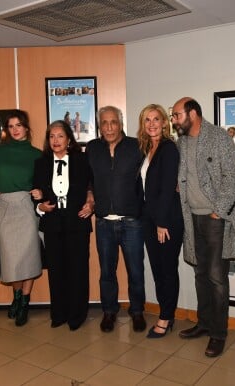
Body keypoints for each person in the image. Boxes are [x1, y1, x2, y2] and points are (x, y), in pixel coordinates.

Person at [171, 97, 235, 358]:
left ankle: (219, 334)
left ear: (192, 113)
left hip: (214, 220)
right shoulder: (182, 142)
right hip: (191, 218)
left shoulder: (218, 137)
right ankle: (204, 324)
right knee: (200, 274)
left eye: (176, 115)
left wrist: (219, 209)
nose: (174, 120)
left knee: (217, 279)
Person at [86, 105, 147, 333]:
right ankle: (109, 312)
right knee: (107, 272)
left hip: (132, 221)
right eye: (104, 123)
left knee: (136, 271)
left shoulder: (136, 146)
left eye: (113, 122)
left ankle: (138, 311)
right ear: (99, 126)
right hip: (103, 222)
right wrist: (90, 194)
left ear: (121, 123)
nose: (109, 127)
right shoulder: (92, 148)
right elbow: (88, 178)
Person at [0, 110, 43, 327]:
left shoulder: (37, 154)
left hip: (26, 206)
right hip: (4, 206)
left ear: (26, 127)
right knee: (10, 257)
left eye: (19, 125)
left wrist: (41, 193)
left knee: (28, 255)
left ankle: (24, 302)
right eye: (11, 126)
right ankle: (16, 296)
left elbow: (44, 182)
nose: (15, 130)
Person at [33, 120, 94, 330]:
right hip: (52, 225)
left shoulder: (82, 160)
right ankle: (58, 313)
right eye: (51, 136)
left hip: (77, 222)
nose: (55, 140)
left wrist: (91, 203)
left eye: (60, 136)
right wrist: (40, 206)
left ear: (69, 139)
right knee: (56, 271)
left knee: (78, 270)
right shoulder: (40, 163)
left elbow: (92, 187)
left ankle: (77, 315)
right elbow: (36, 195)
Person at [137, 104, 184, 338]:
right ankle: (166, 313)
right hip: (150, 219)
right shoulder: (148, 148)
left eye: (156, 119)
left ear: (165, 122)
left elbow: (167, 188)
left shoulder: (168, 149)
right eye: (147, 120)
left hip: (166, 220)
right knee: (157, 269)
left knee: (166, 270)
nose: (152, 124)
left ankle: (166, 317)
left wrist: (162, 223)